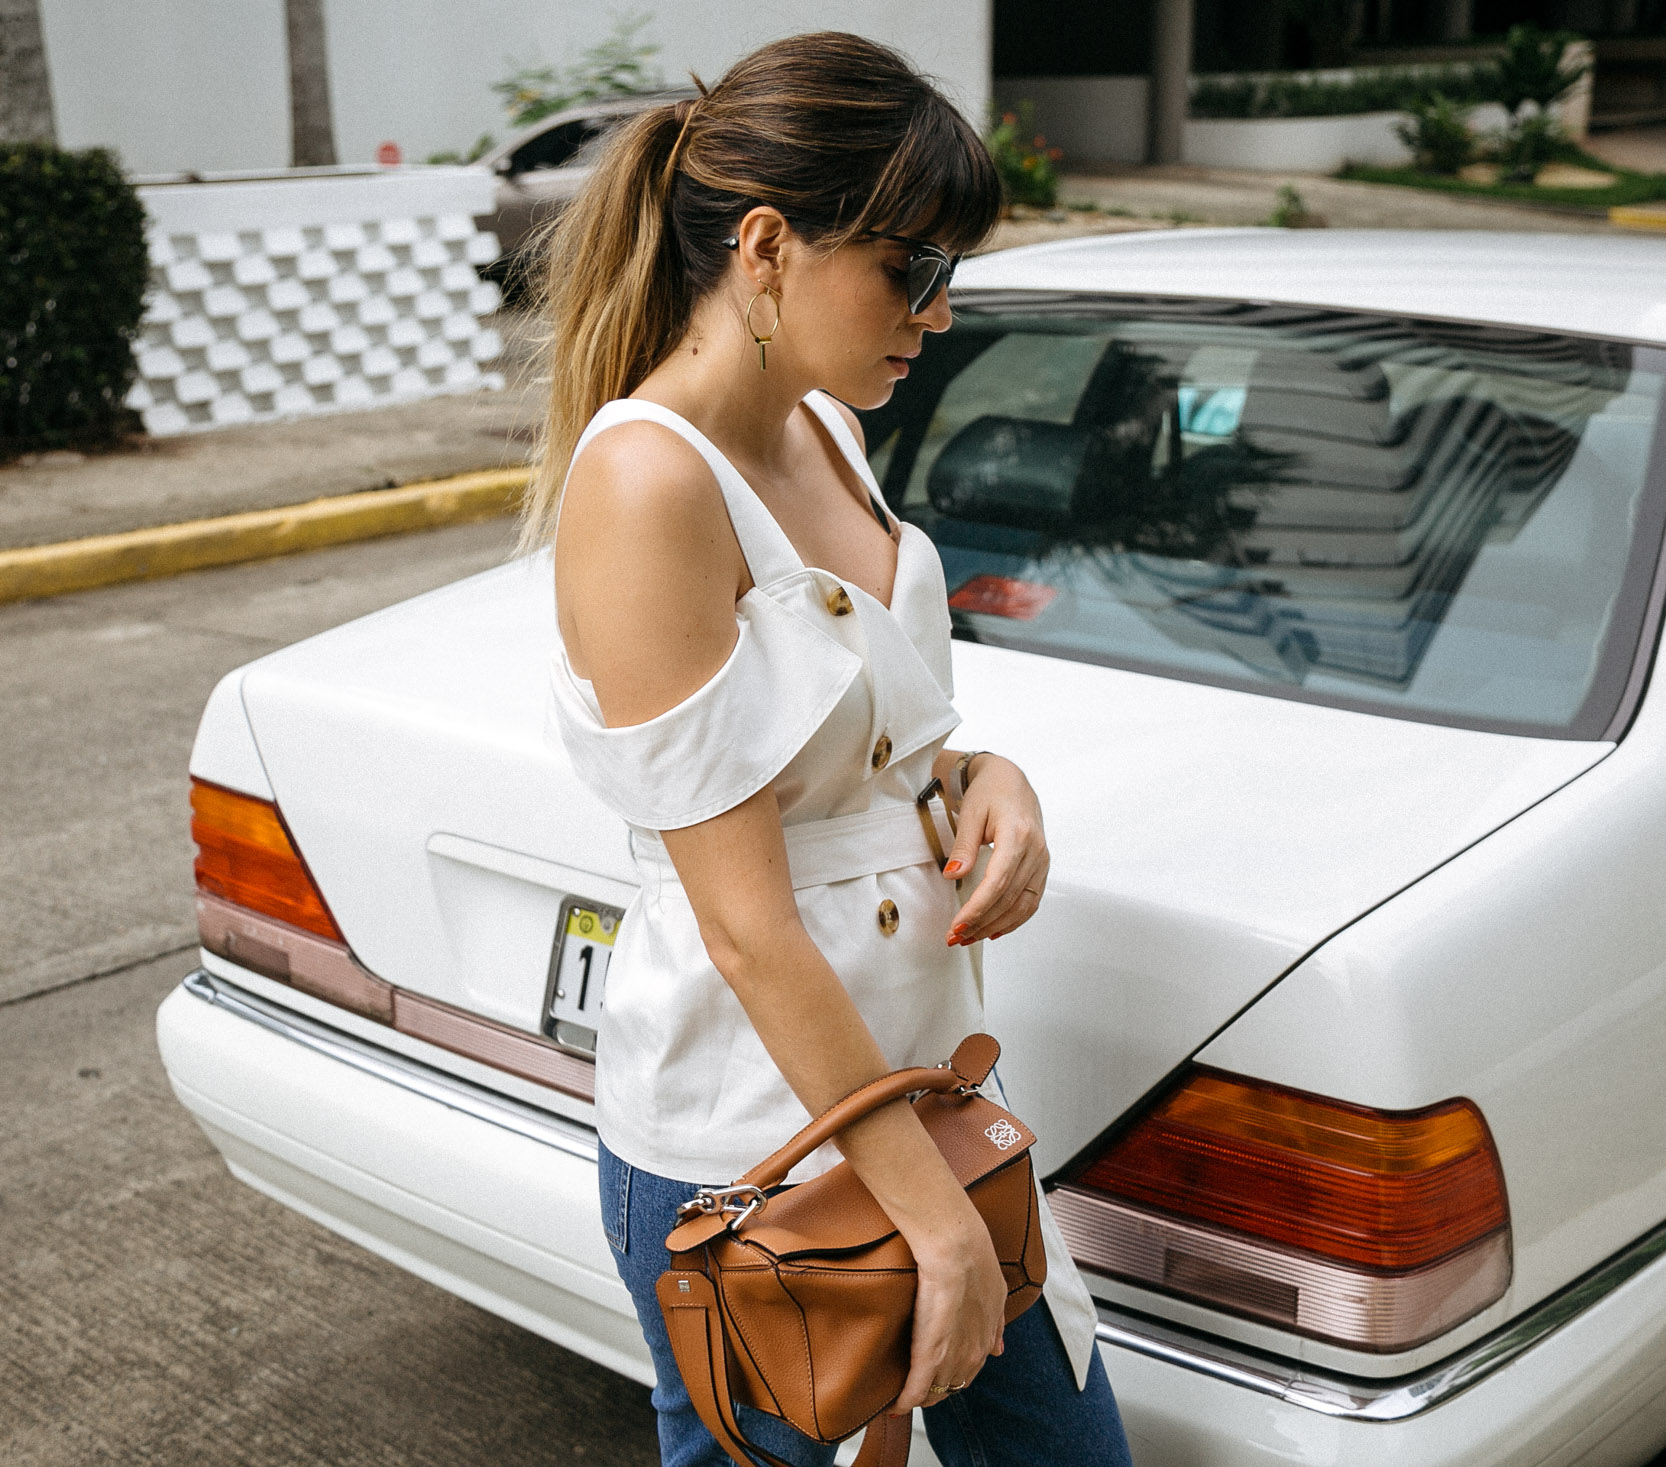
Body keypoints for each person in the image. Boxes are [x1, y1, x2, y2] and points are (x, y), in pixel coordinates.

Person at [530, 31, 1134, 1467]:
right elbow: (746, 924)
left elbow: (884, 739)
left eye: (950, 276)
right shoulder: (646, 481)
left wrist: (994, 784)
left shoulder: (823, 427)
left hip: (925, 1097)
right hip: (760, 1152)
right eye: (910, 269)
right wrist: (932, 1223)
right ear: (765, 245)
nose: (935, 313)